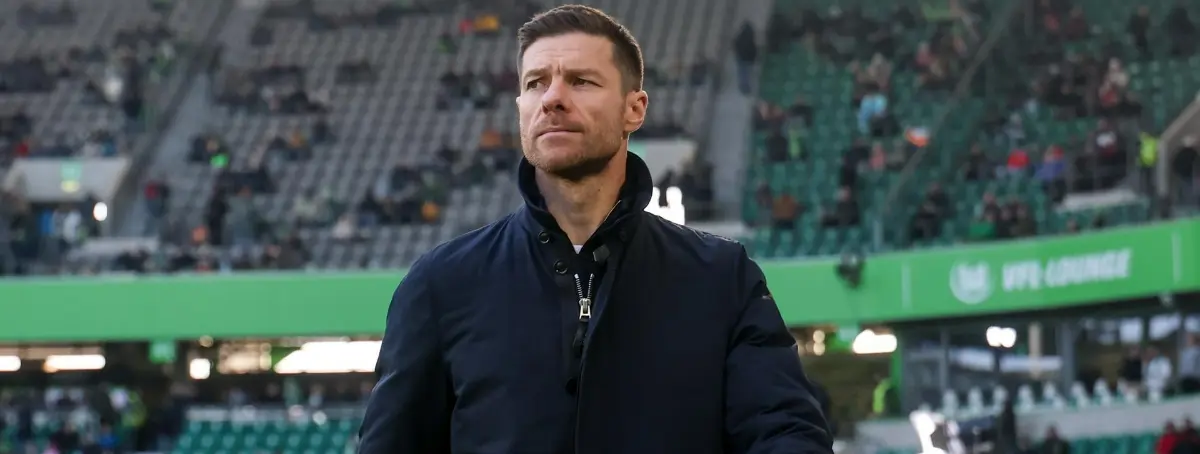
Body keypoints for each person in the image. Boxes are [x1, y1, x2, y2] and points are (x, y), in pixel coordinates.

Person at [357, 5, 832, 454]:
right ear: (520, 106)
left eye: (581, 81)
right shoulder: (442, 284)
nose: (553, 98)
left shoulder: (721, 278)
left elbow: (786, 433)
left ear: (634, 109)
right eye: (536, 83)